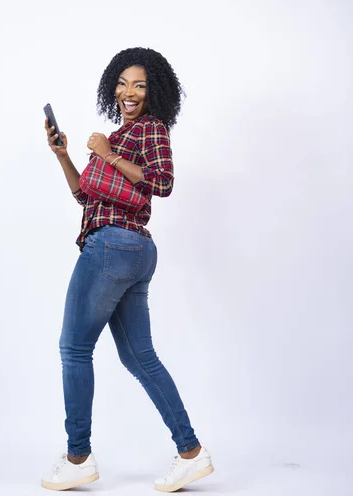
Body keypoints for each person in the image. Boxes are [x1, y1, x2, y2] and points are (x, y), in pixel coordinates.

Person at [41, 47, 214, 492]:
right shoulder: (117, 136)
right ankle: (191, 452)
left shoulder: (151, 129)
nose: (128, 92)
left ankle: (78, 457)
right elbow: (87, 196)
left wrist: (109, 154)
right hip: (131, 250)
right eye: (121, 83)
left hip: (113, 247)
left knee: (74, 349)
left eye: (138, 84)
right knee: (139, 357)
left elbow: (163, 182)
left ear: (153, 90)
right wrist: (64, 155)